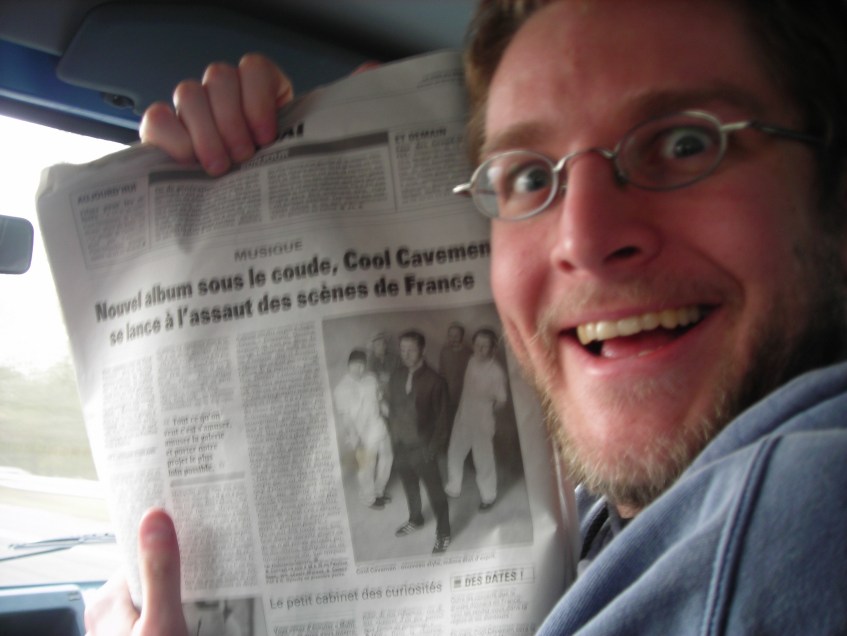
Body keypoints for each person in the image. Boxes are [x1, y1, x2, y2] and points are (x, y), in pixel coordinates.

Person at [86, 1, 847, 634]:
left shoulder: (796, 508)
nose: (582, 239)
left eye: (683, 144)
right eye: (529, 178)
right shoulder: (594, 521)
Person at [385, 330, 452, 553]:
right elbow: (393, 409)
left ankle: (444, 533)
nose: (406, 354)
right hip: (401, 445)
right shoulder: (396, 376)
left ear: (423, 350)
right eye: (402, 349)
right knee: (409, 485)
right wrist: (393, 438)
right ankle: (416, 519)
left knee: (436, 492)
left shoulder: (436, 381)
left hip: (423, 448)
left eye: (411, 350)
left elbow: (443, 421)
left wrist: (431, 450)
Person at [444, 328, 507, 509]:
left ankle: (488, 497)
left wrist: (485, 412)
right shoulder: (471, 361)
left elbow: (501, 400)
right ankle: (453, 487)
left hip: (482, 421)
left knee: (483, 460)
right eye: (477, 344)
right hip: (463, 416)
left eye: (485, 346)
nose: (479, 349)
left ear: (493, 349)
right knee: (455, 453)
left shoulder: (496, 372)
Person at [332, 348, 393, 509]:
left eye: (362, 365)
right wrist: (355, 436)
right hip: (360, 431)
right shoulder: (341, 388)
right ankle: (368, 497)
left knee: (387, 457)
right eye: (355, 365)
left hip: (378, 424)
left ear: (365, 365)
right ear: (348, 365)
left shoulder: (371, 379)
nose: (359, 369)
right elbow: (345, 417)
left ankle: (379, 491)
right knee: (367, 465)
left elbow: (380, 401)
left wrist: (392, 415)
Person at [438, 321, 473, 422]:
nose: (453, 339)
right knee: (450, 418)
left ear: (462, 336)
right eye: (450, 336)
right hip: (449, 392)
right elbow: (441, 372)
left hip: (465, 393)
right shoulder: (444, 351)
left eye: (456, 336)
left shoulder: (469, 352)